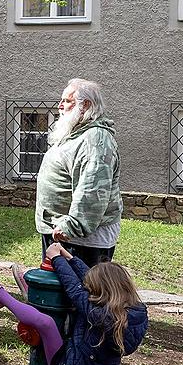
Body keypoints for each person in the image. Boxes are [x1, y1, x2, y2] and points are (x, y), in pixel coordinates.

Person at [0, 244, 148, 365]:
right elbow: (88, 279)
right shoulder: (132, 310)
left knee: (46, 323)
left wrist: (56, 258)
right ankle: (36, 299)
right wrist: (69, 257)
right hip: (87, 361)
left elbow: (75, 289)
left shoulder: (102, 316)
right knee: (80, 303)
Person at [36, 79, 121, 267]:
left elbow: (93, 191)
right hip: (65, 235)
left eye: (67, 101)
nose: (59, 106)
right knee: (59, 293)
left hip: (81, 240)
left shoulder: (96, 139)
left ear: (86, 105)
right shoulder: (78, 133)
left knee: (81, 293)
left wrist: (71, 226)